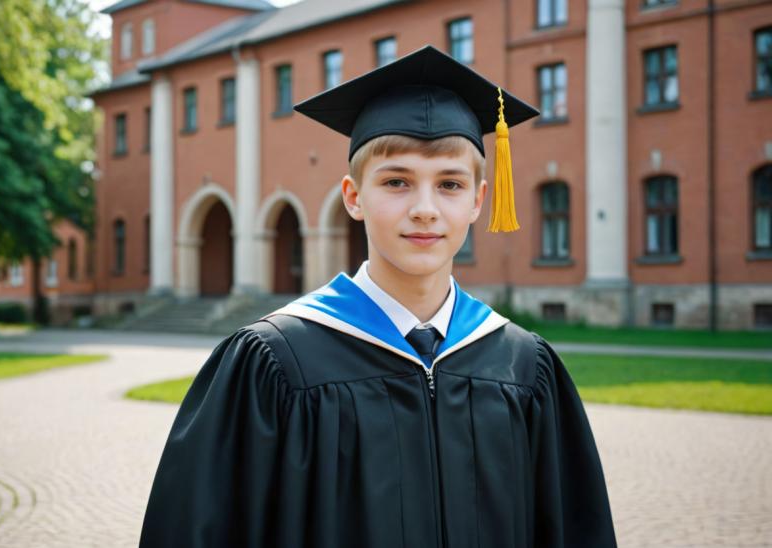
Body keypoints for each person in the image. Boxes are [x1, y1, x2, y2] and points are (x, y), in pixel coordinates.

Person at [139, 44, 617, 548]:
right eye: (397, 182)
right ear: (353, 197)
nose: (425, 209)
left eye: (450, 184)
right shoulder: (275, 363)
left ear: (479, 200)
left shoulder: (524, 367)